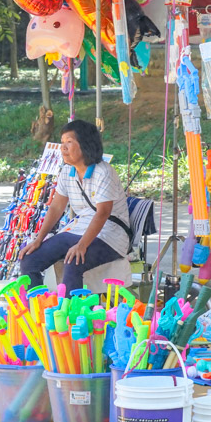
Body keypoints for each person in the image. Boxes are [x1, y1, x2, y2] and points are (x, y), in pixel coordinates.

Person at [19, 120, 132, 293]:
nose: (63, 148)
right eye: (62, 143)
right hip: (79, 229)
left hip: (111, 235)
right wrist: (39, 239)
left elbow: (103, 213)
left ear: (85, 144)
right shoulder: (66, 172)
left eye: (69, 142)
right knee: (30, 259)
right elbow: (56, 207)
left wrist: (82, 245)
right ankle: (38, 310)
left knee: (74, 260)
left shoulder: (104, 172)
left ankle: (73, 316)